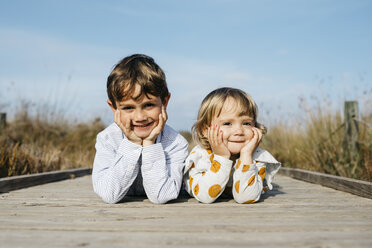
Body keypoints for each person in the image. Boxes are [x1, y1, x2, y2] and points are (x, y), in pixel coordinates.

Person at [92, 54, 189, 204]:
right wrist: (132, 143)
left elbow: (161, 196)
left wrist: (150, 143)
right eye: (128, 108)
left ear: (164, 102)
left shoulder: (175, 143)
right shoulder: (107, 139)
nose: (140, 117)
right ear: (114, 108)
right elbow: (109, 194)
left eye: (148, 105)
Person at [184, 87, 281, 204]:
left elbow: (246, 198)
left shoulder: (255, 157)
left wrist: (246, 156)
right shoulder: (200, 156)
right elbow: (205, 197)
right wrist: (222, 157)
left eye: (246, 123)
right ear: (206, 130)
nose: (239, 131)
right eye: (227, 123)